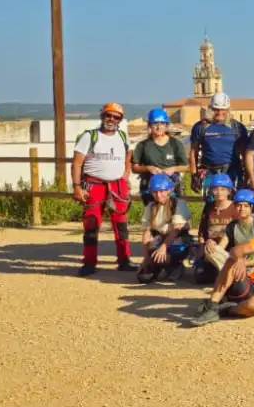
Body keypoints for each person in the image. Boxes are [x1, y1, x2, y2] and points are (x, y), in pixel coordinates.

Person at [71, 102, 133, 275]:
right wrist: (76, 187)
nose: (111, 119)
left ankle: (124, 260)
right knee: (91, 224)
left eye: (116, 117)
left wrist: (126, 172)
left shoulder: (122, 136)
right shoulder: (89, 137)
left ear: (120, 120)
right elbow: (76, 163)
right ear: (102, 116)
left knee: (121, 225)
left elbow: (129, 153)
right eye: (108, 115)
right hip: (94, 184)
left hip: (117, 185)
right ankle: (89, 263)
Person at [137, 174, 192, 283]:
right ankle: (160, 266)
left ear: (169, 190)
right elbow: (146, 233)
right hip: (160, 239)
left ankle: (176, 265)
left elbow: (176, 230)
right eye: (155, 192)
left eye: (162, 191)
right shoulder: (150, 206)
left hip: (177, 240)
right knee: (144, 277)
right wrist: (146, 258)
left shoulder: (178, 204)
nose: (158, 195)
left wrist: (163, 247)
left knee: (164, 255)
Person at [189, 93, 248, 190]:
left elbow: (245, 153)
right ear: (210, 108)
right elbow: (193, 152)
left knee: (234, 203)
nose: (220, 112)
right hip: (209, 172)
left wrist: (247, 175)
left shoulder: (238, 127)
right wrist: (193, 176)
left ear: (228, 109)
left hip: (232, 172)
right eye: (216, 109)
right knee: (210, 203)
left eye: (223, 109)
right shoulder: (200, 127)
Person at [133, 108, 189, 198]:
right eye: (155, 123)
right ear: (150, 125)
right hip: (150, 186)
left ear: (166, 125)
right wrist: (148, 168)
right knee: (151, 211)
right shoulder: (142, 145)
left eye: (162, 123)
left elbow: (186, 167)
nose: (159, 127)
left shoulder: (176, 144)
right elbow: (135, 168)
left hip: (171, 185)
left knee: (173, 210)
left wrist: (173, 169)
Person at [194, 173, 237, 283]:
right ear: (212, 191)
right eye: (216, 189)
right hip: (210, 246)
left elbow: (237, 232)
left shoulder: (235, 208)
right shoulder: (209, 206)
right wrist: (202, 245)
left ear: (229, 191)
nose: (219, 192)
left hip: (228, 248)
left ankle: (228, 271)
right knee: (201, 278)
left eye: (223, 189)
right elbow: (202, 230)